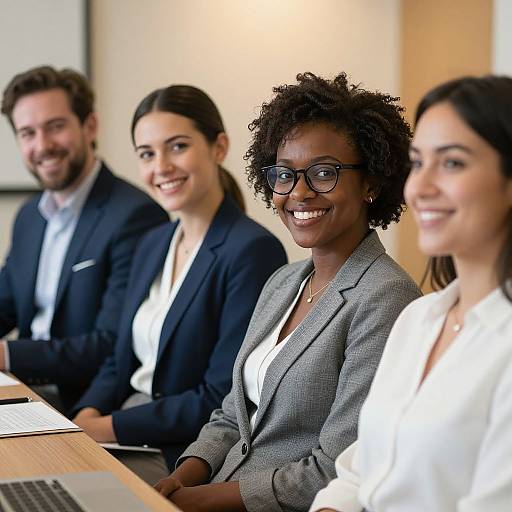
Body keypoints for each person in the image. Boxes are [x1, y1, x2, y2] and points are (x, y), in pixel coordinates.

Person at [155, 72, 421, 512]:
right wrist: (178, 479)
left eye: (323, 173)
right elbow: (233, 411)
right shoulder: (284, 281)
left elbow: (334, 468)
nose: (298, 192)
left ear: (371, 182)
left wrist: (198, 500)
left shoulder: (385, 299)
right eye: (284, 174)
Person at [310, 75, 512, 512]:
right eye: (418, 163)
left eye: (452, 163)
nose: (419, 188)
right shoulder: (419, 319)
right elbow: (359, 472)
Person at [71, 84, 287, 484]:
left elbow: (221, 394)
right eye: (147, 154)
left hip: (179, 450)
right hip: (118, 430)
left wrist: (103, 429)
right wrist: (83, 416)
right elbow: (120, 359)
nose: (161, 167)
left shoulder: (251, 251)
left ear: (219, 147)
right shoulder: (153, 242)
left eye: (178, 146)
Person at [0, 66, 167, 412]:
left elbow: (113, 343)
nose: (42, 145)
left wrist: (6, 354)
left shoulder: (136, 216)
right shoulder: (30, 216)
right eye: (27, 133)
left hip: (86, 404)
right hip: (24, 392)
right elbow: (7, 303)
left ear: (90, 125)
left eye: (55, 127)